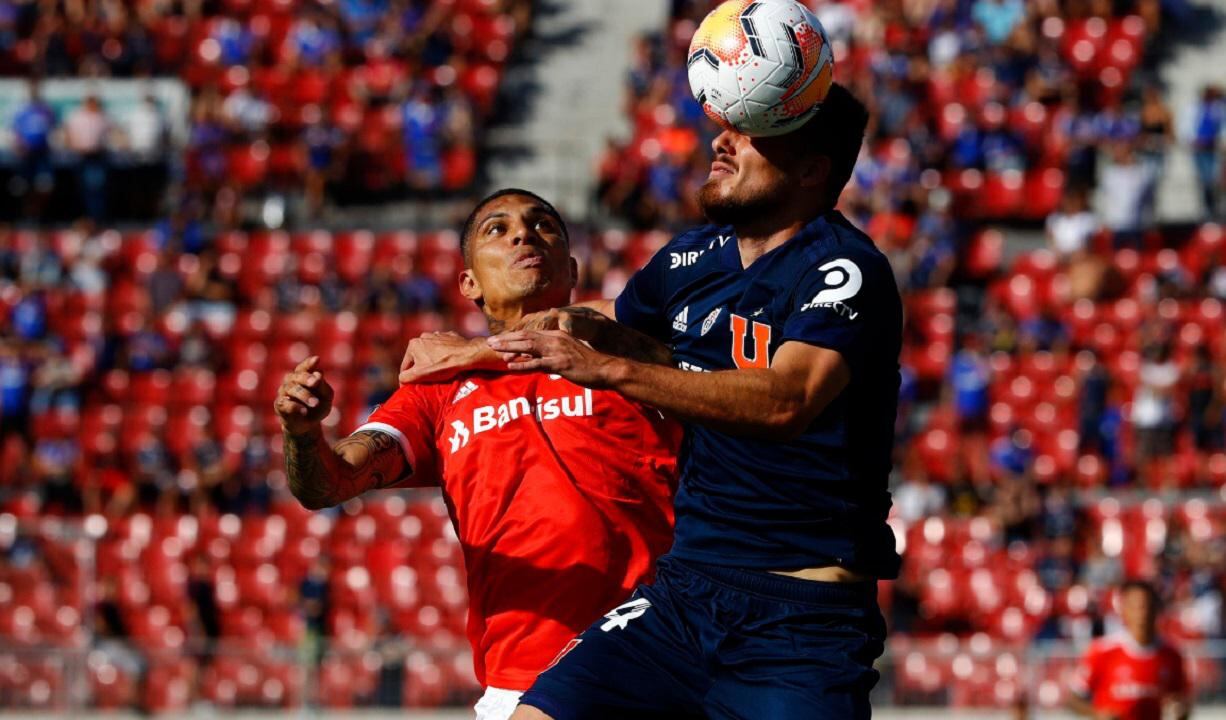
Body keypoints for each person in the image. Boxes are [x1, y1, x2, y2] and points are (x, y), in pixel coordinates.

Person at [414, 82, 901, 719]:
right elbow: (596, 320)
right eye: (728, 125)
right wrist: (478, 350)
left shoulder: (844, 269)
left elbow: (789, 400)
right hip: (683, 594)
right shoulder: (691, 258)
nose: (722, 142)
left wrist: (610, 369)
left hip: (798, 621)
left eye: (752, 133)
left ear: (811, 169)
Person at [273, 189, 681, 720]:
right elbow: (328, 484)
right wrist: (303, 433)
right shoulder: (437, 392)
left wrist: (478, 348)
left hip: (662, 664)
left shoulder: (628, 354)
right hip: (523, 683)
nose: (523, 234)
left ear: (573, 267)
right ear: (469, 284)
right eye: (497, 229)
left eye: (543, 226)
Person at [1069, 580, 1190, 720]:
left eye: (1147, 606)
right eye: (1136, 606)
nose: (1142, 613)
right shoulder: (1102, 651)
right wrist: (1098, 714)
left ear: (1156, 609)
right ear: (1123, 610)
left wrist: (1180, 711)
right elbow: (1074, 700)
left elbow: (1181, 703)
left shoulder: (1171, 656)